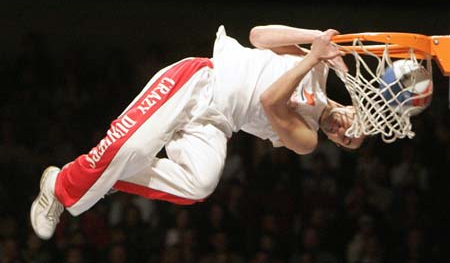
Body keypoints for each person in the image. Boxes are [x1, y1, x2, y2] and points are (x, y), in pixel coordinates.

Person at [30, 24, 365, 240]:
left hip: (217, 124)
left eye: (345, 140)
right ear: (352, 108)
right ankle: (60, 187)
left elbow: (270, 101)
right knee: (128, 150)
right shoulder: (319, 68)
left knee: (199, 184)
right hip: (199, 82)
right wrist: (315, 40)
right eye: (350, 126)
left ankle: (96, 178)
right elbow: (258, 36)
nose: (342, 132)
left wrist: (311, 58)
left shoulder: (307, 138)